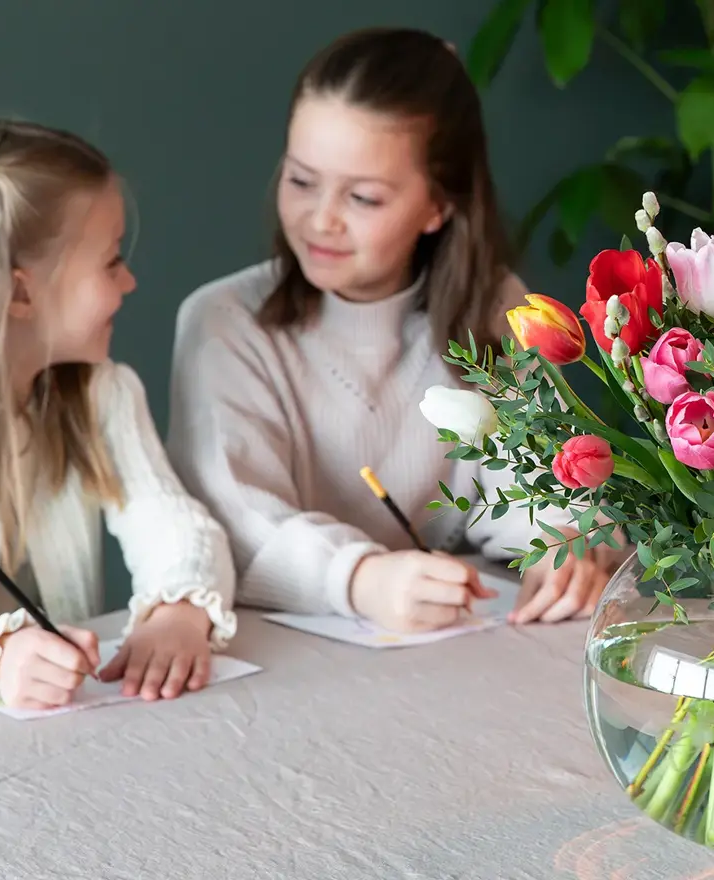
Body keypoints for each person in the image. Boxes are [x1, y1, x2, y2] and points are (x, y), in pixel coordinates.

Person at [166, 27, 617, 633]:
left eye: (364, 198)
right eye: (300, 180)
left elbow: (539, 482)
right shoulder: (224, 321)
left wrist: (567, 544)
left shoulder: (494, 305)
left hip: (457, 644)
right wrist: (361, 578)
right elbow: (235, 519)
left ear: (439, 206)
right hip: (279, 653)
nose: (321, 219)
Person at [0, 117, 236, 711]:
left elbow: (174, 526)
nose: (130, 282)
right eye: (111, 262)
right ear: (21, 293)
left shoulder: (103, 394)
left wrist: (179, 608)